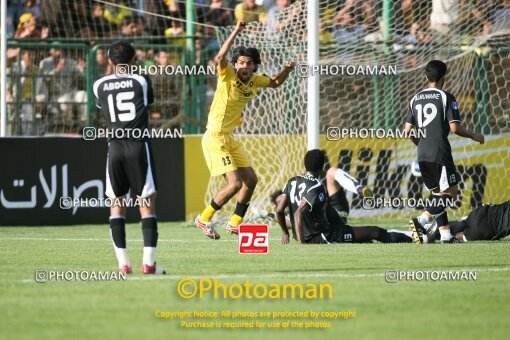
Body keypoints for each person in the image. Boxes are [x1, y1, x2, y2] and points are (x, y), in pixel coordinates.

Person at [195, 21, 294, 239]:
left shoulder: (255, 80)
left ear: (253, 66)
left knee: (251, 181)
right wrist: (236, 31)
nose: (244, 66)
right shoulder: (227, 75)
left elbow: (276, 82)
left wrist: (286, 70)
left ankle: (234, 223)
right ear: (235, 64)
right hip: (214, 137)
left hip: (229, 137)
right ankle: (204, 218)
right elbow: (220, 58)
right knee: (235, 183)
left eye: (248, 63)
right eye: (240, 62)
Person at [92, 40, 164, 275]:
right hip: (137, 146)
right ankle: (149, 263)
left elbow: (101, 104)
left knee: (116, 206)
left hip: (114, 148)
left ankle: (123, 264)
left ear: (110, 61)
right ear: (134, 60)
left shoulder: (99, 85)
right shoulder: (141, 80)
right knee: (146, 204)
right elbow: (149, 102)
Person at [404, 60, 484, 244]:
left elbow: (407, 130)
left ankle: (446, 235)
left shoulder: (415, 98)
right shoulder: (446, 97)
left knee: (439, 194)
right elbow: (455, 128)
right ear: (444, 77)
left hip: (422, 153)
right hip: (439, 152)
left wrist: (419, 143)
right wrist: (474, 135)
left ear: (426, 76)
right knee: (451, 193)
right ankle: (421, 220)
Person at [276, 150, 410, 245]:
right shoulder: (316, 186)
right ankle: (417, 238)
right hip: (323, 236)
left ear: (305, 163)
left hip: (320, 230)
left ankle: (358, 238)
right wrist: (302, 245)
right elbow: (299, 212)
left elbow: (279, 210)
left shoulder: (291, 181)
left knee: (362, 236)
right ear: (322, 166)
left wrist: (286, 233)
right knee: (374, 231)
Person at [414, 200, 510, 243]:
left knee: (464, 223)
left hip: (483, 211)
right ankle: (435, 234)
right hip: (486, 228)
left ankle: (434, 228)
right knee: (460, 236)